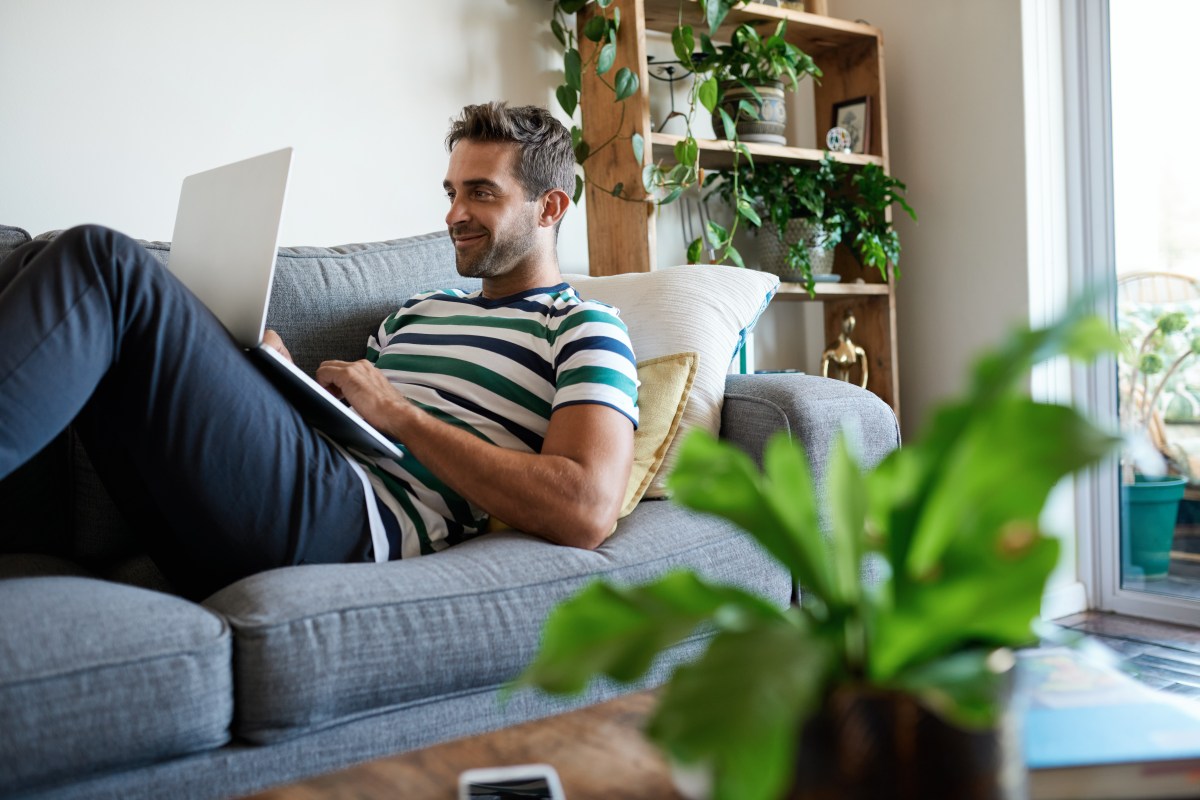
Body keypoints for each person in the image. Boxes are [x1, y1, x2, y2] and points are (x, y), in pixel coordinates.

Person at [0, 102, 639, 600]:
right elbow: (348, 430)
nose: (454, 214)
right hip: (279, 495)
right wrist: (272, 378)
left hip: (354, 525)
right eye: (451, 192)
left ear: (549, 206)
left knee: (102, 261)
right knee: (35, 261)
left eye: (481, 192)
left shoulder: (584, 326)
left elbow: (586, 509)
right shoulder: (417, 311)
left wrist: (402, 415)